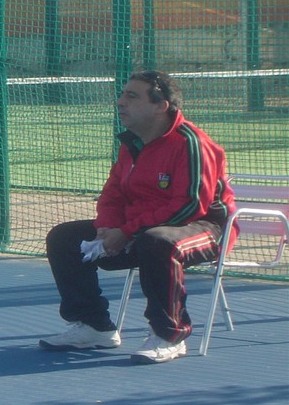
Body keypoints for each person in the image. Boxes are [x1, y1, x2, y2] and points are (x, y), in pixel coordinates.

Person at [39, 70, 236, 364]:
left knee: (158, 241)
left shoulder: (191, 143)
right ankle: (94, 327)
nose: (120, 102)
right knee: (64, 237)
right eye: (122, 95)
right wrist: (108, 227)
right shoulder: (132, 144)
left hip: (204, 228)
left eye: (132, 96)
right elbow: (113, 194)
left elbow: (189, 205)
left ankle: (169, 335)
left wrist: (127, 232)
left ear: (161, 106)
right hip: (141, 228)